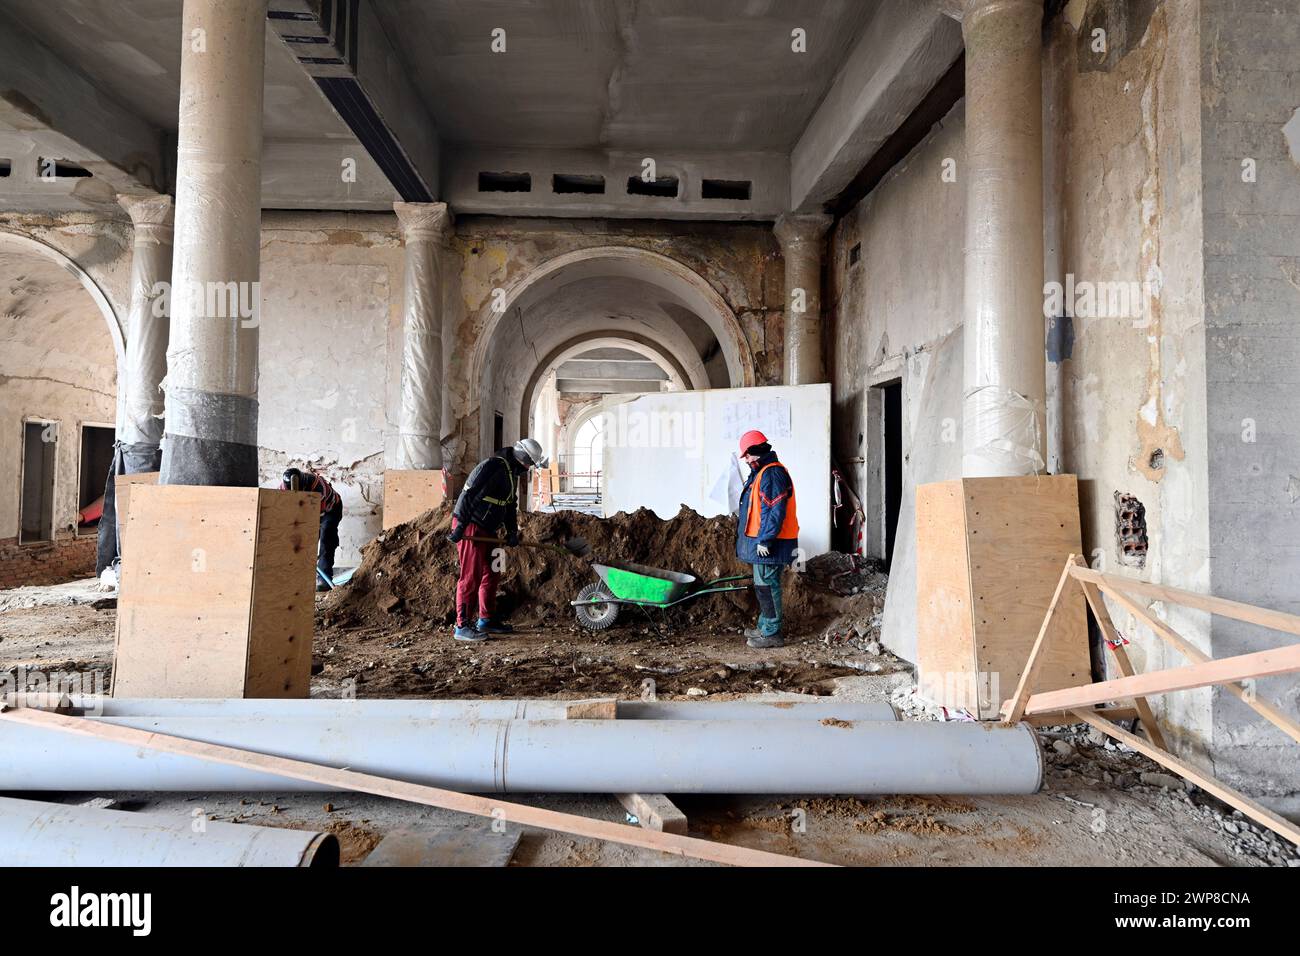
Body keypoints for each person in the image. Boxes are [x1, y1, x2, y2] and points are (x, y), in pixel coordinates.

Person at [446, 437, 548, 642]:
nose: (528, 468)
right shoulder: (491, 466)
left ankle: (486, 619)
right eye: (528, 463)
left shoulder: (511, 474)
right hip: (471, 528)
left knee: (493, 573)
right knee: (470, 577)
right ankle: (462, 626)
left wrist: (511, 531)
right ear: (521, 457)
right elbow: (468, 495)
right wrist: (460, 526)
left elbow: (510, 504)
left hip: (491, 532)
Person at [735, 429, 798, 648]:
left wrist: (766, 540)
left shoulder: (771, 473)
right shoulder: (762, 472)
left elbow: (774, 511)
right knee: (763, 586)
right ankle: (765, 626)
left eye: (748, 455)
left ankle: (772, 633)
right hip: (762, 543)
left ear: (757, 451)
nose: (747, 460)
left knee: (768, 587)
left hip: (769, 544)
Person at [281, 467, 343, 591]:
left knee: (326, 537)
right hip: (309, 512)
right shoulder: (283, 489)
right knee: (304, 543)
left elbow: (313, 518)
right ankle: (303, 579)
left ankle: (324, 579)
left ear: (304, 486)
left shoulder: (317, 486)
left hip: (330, 510)